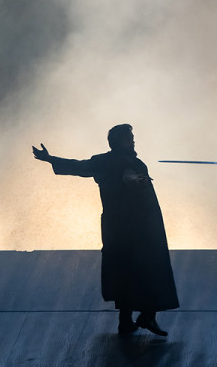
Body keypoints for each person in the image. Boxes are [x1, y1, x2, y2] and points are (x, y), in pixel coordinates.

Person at [32, 124, 179, 336]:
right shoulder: (128, 163)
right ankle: (146, 316)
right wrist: (134, 181)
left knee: (124, 271)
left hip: (116, 228)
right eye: (129, 138)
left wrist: (50, 159)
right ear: (120, 141)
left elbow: (79, 166)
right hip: (138, 230)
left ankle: (127, 320)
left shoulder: (103, 162)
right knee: (148, 269)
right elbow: (127, 177)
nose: (133, 141)